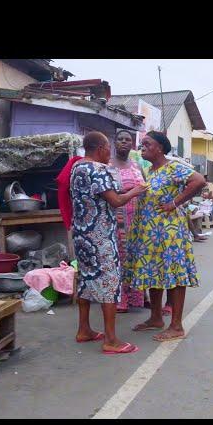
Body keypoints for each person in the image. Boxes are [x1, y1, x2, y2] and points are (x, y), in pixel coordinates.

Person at [70, 131, 148, 354]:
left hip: (82, 235)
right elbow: (115, 201)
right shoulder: (99, 169)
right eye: (108, 148)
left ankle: (84, 329)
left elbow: (96, 194)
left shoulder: (77, 168)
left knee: (85, 280)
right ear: (100, 148)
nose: (110, 153)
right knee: (110, 284)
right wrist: (136, 190)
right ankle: (111, 340)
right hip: (101, 236)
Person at [124, 131, 206, 341]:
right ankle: (156, 318)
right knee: (154, 272)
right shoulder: (150, 171)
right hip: (151, 234)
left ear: (159, 148)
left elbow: (198, 181)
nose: (142, 147)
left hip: (170, 233)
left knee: (176, 274)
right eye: (141, 144)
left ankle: (177, 326)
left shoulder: (173, 167)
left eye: (147, 144)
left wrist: (175, 202)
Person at [109, 130, 146, 314]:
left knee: (136, 258)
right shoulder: (107, 165)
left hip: (136, 220)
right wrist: (130, 191)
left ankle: (137, 297)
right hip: (115, 220)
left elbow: (145, 187)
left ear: (132, 144)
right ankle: (120, 298)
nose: (124, 142)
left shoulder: (137, 165)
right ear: (114, 142)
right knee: (119, 259)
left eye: (128, 140)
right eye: (120, 139)